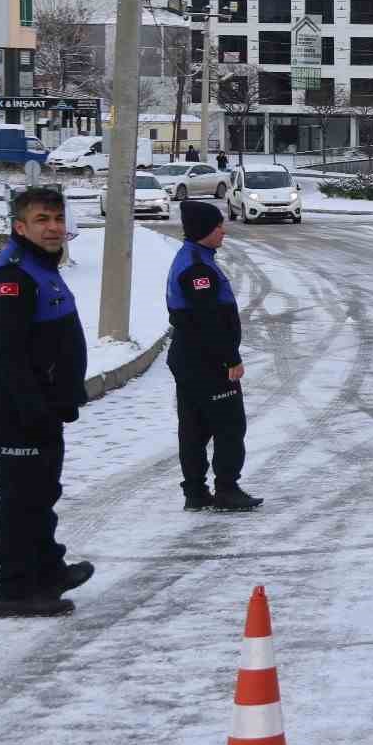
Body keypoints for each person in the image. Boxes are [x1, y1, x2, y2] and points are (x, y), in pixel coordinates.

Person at [0, 187, 94, 618]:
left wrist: (63, 397)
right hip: (18, 413)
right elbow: (6, 353)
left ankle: (47, 569)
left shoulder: (40, 267)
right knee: (20, 499)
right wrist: (32, 409)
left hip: (42, 409)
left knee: (41, 492)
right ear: (20, 227)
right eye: (41, 220)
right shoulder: (12, 277)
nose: (53, 227)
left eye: (57, 218)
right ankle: (16, 590)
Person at [167, 200, 261, 512]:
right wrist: (230, 359)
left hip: (190, 358)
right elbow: (207, 321)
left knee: (193, 427)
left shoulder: (196, 258)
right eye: (217, 226)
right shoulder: (197, 268)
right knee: (229, 425)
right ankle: (226, 488)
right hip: (205, 360)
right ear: (203, 230)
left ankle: (195, 492)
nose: (223, 230)